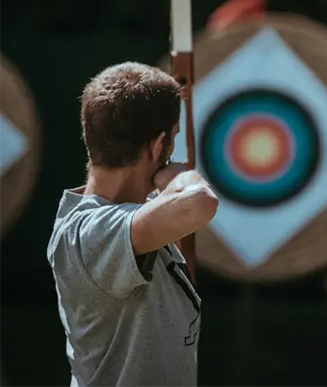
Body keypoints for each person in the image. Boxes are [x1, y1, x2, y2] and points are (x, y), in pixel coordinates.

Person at [47, 61, 219, 387]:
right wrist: (182, 176)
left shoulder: (140, 211)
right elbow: (200, 203)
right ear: (158, 146)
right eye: (172, 140)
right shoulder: (87, 233)